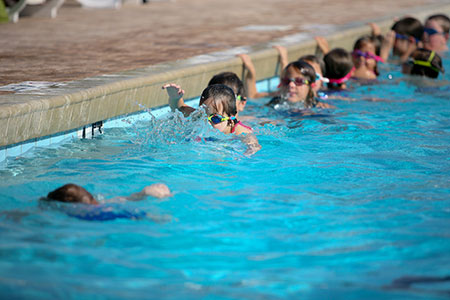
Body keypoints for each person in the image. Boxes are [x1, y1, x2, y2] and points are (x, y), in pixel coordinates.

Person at [163, 83, 261, 154]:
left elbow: (254, 145)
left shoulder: (239, 131)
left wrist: (248, 153)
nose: (207, 123)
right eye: (203, 116)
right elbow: (179, 108)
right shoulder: (197, 116)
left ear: (231, 118)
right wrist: (175, 98)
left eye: (215, 119)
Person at [41, 183, 172, 221]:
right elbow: (126, 201)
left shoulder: (64, 212)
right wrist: (144, 193)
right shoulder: (101, 208)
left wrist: (144, 193)